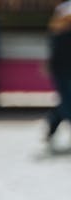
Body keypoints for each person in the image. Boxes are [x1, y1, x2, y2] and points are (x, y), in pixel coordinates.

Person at [47, 1, 71, 144]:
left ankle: (52, 125)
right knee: (67, 103)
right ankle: (52, 125)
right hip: (62, 72)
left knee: (66, 103)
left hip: (63, 71)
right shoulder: (59, 35)